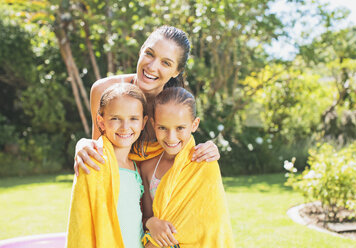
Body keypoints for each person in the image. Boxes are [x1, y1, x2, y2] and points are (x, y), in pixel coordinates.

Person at [74, 26, 220, 176]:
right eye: (150, 54)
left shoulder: (175, 105)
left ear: (176, 71)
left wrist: (208, 148)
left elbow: (183, 149)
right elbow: (97, 151)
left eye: (166, 63)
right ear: (141, 50)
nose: (152, 67)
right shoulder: (105, 90)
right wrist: (82, 144)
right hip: (117, 183)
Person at [141, 87, 235, 248]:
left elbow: (213, 221)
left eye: (180, 128)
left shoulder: (204, 162)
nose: (171, 138)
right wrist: (151, 223)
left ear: (194, 124)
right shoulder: (148, 167)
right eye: (162, 128)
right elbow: (146, 216)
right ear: (153, 124)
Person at [66, 83, 148, 248]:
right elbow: (81, 219)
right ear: (101, 122)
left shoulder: (136, 167)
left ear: (143, 122)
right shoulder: (93, 161)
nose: (125, 127)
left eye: (133, 118)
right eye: (115, 118)